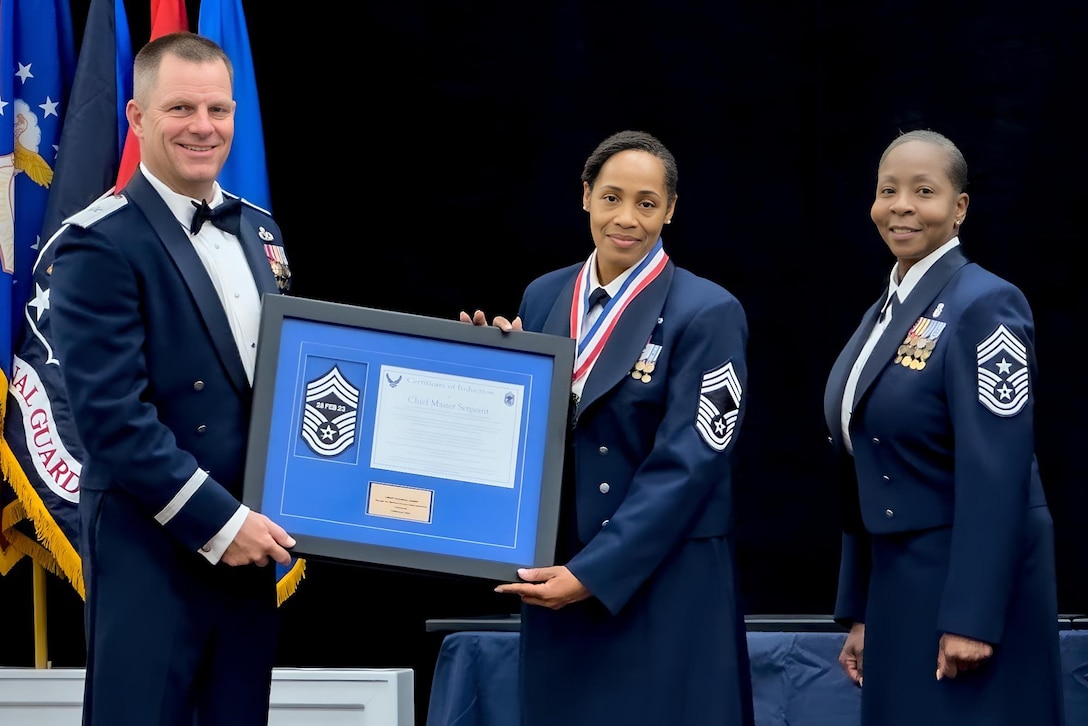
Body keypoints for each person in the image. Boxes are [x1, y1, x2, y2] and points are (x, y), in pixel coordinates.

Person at [461, 129, 755, 726]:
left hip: (661, 587)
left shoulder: (709, 311)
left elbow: (689, 465)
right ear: (586, 196)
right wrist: (490, 375)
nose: (627, 218)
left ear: (670, 210)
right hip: (558, 583)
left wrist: (592, 574)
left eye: (647, 203)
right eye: (612, 197)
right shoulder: (544, 295)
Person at [48, 32, 296, 726]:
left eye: (218, 109)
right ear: (136, 117)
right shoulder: (98, 241)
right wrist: (223, 522)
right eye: (180, 108)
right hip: (152, 547)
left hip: (247, 552)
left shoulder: (260, 232)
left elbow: (293, 383)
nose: (202, 127)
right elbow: (112, 419)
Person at [824, 129, 1065, 725]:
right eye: (888, 190)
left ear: (959, 208)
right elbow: (864, 465)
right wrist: (861, 610)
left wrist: (972, 617)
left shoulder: (984, 303)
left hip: (966, 582)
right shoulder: (884, 309)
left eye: (923, 191)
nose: (902, 205)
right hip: (900, 580)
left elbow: (997, 471)